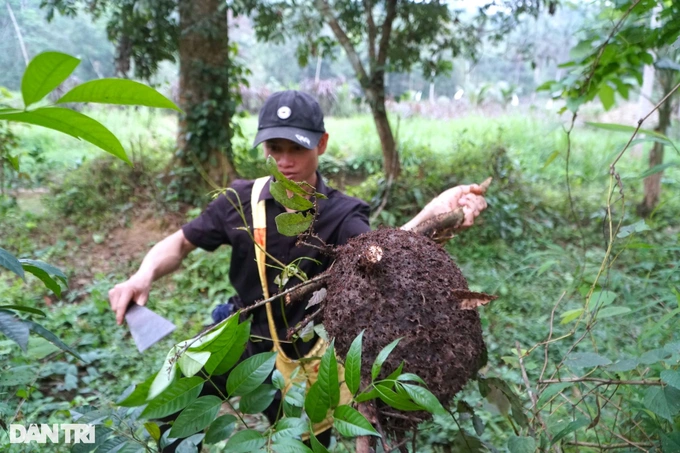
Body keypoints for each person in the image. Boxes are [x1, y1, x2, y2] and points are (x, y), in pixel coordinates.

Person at [108, 90, 487, 451]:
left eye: (297, 148)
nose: (286, 160)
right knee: (170, 412)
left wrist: (433, 213)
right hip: (236, 333)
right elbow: (181, 242)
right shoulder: (240, 200)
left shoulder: (341, 213)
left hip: (300, 351)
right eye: (275, 149)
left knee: (303, 441)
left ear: (321, 144)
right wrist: (142, 275)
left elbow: (381, 257)